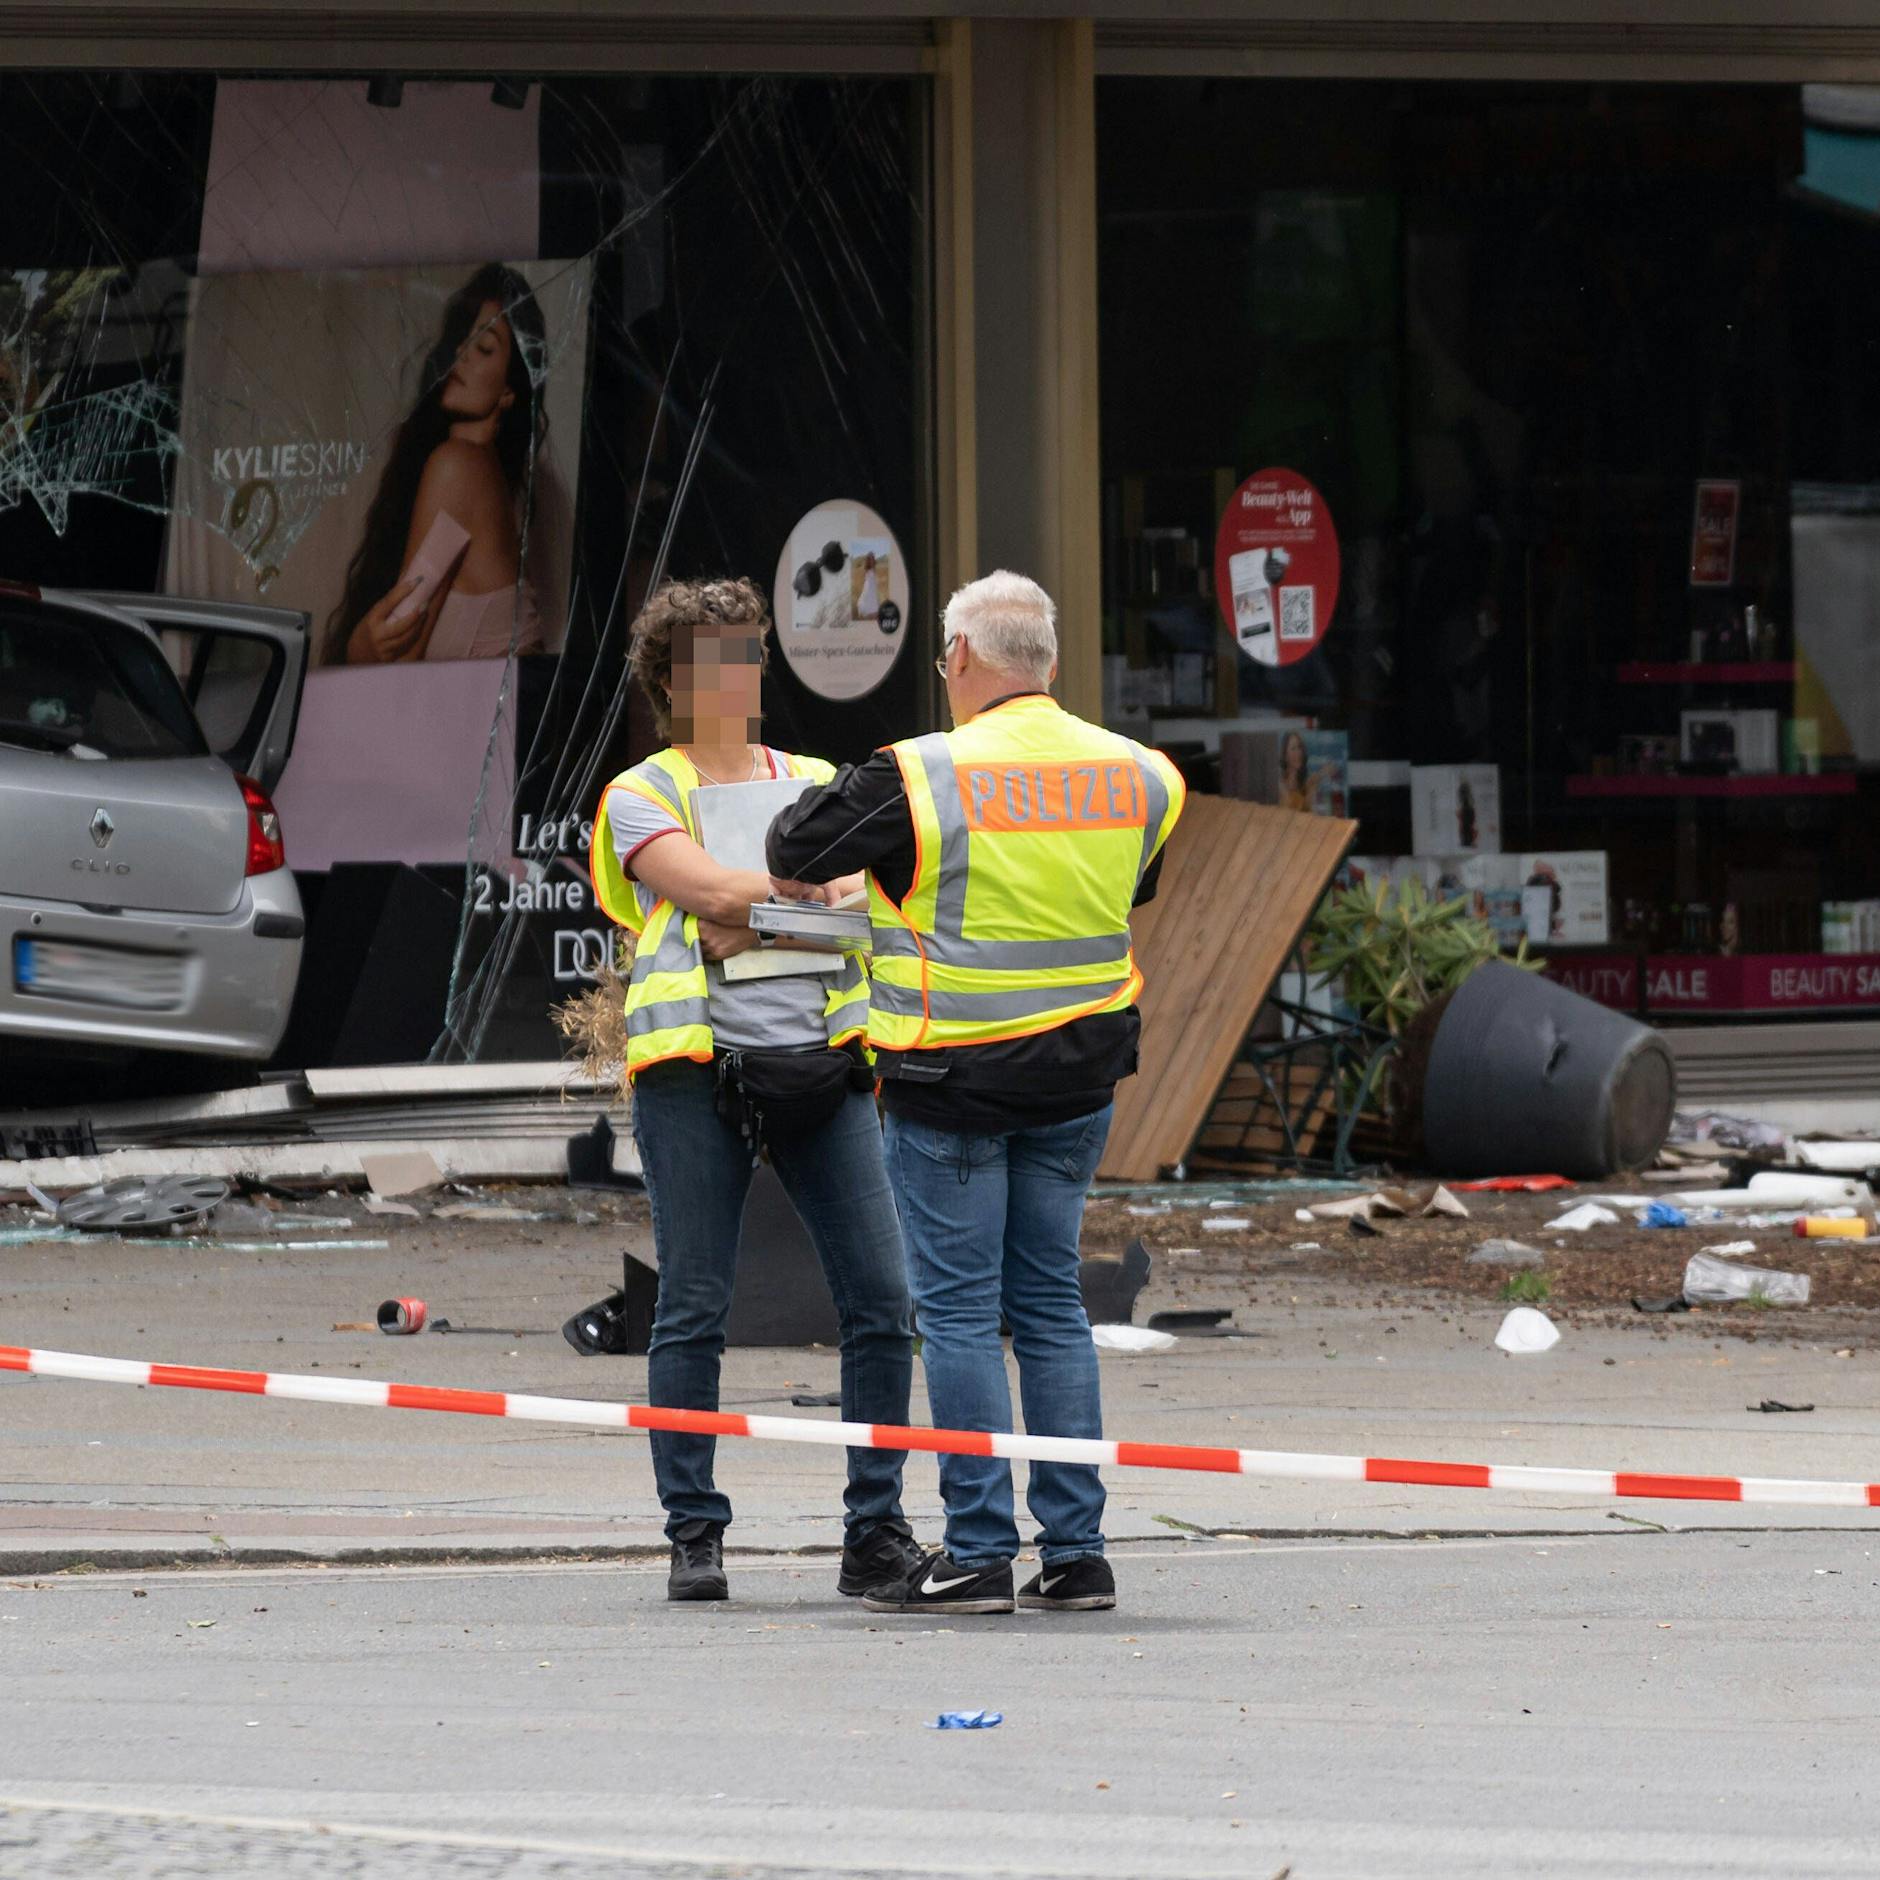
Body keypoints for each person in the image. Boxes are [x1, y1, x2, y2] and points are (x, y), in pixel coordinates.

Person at [766, 570, 1185, 1616]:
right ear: (1048, 661)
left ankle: (979, 1549)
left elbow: (791, 848)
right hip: (1079, 1076)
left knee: (954, 1313)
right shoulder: (1141, 773)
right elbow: (1125, 886)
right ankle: (1076, 1554)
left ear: (956, 657)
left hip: (950, 1076)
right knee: (1049, 1305)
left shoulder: (919, 771)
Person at [588, 576, 921, 1604]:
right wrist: (787, 892)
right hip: (696, 1075)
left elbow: (861, 900)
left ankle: (874, 1530)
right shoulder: (641, 790)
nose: (738, 675)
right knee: (692, 1304)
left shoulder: (815, 773)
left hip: (821, 1066)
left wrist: (761, 908)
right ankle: (694, 1531)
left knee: (883, 1301)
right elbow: (703, 888)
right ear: (668, 682)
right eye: (712, 659)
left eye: (746, 654)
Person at [327, 263, 551, 666]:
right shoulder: (484, 478)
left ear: (507, 392)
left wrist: (357, 648)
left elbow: (397, 653)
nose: (462, 352)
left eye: (484, 348)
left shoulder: (459, 467)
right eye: (461, 339)